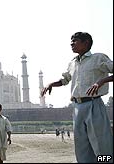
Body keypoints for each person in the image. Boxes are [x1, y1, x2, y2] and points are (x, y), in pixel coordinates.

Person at [41, 32, 113, 163]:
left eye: (75, 41)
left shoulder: (98, 58)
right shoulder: (73, 63)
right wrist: (52, 84)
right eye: (71, 41)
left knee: (101, 143)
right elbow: (65, 80)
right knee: (81, 145)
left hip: (93, 104)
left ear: (86, 43)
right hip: (77, 107)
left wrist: (101, 81)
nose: (71, 43)